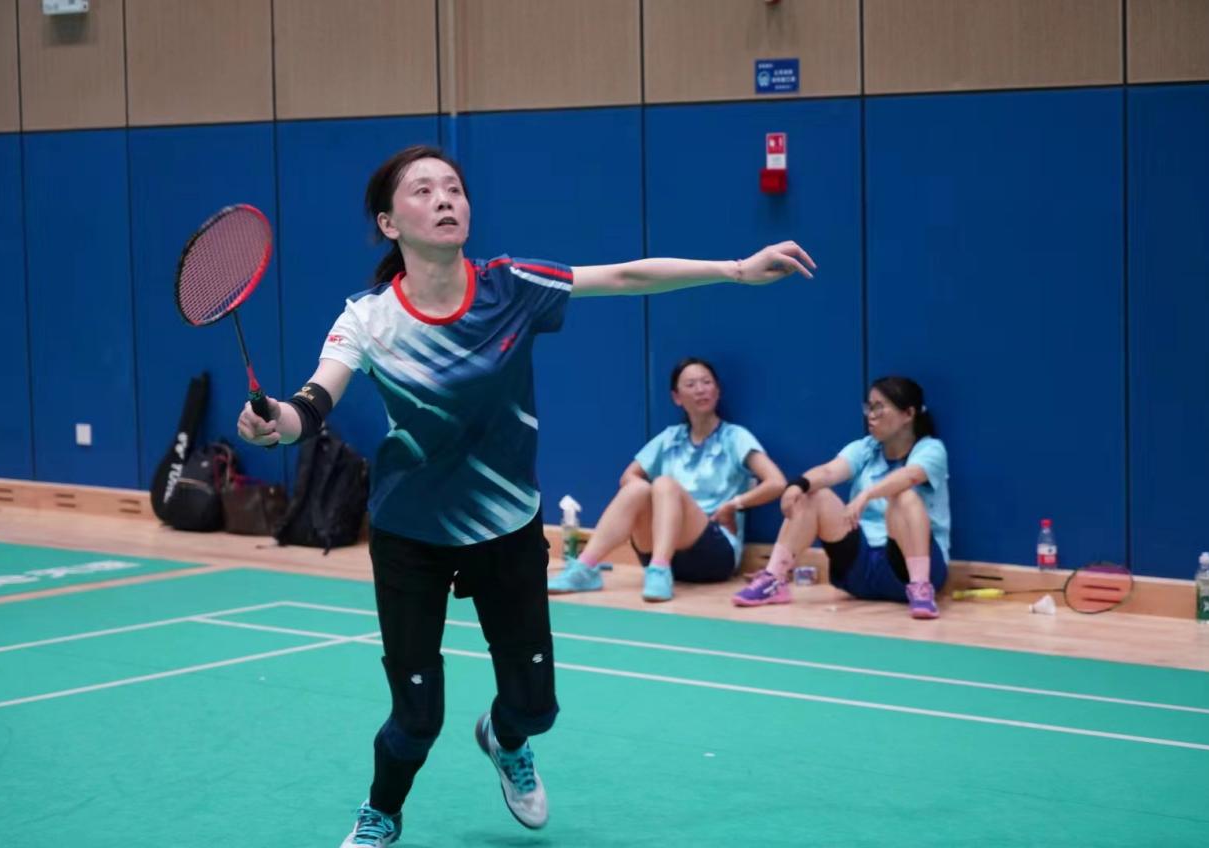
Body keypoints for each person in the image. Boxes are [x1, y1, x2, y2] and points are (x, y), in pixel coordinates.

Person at [235, 144, 816, 847]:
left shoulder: (511, 285)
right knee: (416, 717)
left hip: (506, 527)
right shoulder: (368, 317)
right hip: (410, 532)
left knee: (536, 708)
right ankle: (381, 813)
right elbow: (312, 402)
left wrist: (735, 269)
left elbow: (625, 275)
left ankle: (504, 739)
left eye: (454, 188)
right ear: (389, 223)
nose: (445, 199)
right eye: (423, 190)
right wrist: (276, 423)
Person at [547, 357, 785, 601]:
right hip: (659, 549)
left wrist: (735, 504)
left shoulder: (735, 437)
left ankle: (660, 569)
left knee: (663, 484)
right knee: (637, 489)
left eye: (706, 382)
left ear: (718, 391)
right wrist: (654, 500)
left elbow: (777, 482)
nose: (700, 389)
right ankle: (585, 568)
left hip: (714, 554)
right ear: (677, 397)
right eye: (690, 384)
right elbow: (628, 477)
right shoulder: (670, 438)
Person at [731, 377, 950, 620]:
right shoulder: (865, 448)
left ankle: (921, 588)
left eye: (879, 407)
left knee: (903, 497)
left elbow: (909, 476)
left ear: (908, 414)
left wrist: (867, 494)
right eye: (869, 407)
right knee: (814, 495)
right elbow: (828, 472)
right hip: (862, 567)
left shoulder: (931, 449)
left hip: (909, 565)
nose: (871, 415)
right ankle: (774, 579)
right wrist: (797, 485)